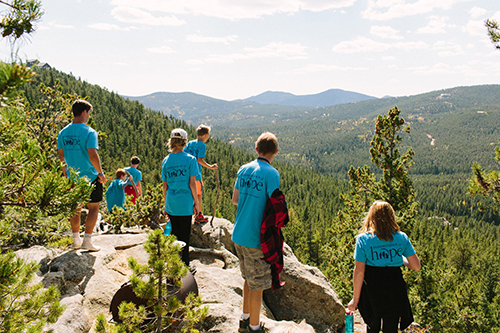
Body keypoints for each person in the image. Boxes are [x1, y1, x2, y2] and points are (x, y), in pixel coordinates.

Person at [232, 132, 280, 333]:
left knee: (248, 279)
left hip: (238, 234)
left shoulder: (243, 169)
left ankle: (245, 317)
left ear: (256, 149)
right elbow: (275, 208)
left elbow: (235, 200)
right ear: (275, 152)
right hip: (255, 238)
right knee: (258, 284)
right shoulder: (272, 174)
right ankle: (254, 327)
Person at [347, 201, 421, 333]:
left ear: (371, 217)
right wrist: (402, 260)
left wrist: (355, 300)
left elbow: (359, 271)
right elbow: (416, 266)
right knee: (391, 328)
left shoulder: (363, 240)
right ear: (391, 217)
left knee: (372, 326)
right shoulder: (401, 237)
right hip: (394, 287)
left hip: (372, 289)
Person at [57, 99, 106, 252]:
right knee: (93, 208)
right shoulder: (89, 132)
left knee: (75, 208)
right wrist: (100, 173)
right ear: (84, 112)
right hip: (90, 176)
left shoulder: (63, 133)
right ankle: (88, 240)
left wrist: (66, 174)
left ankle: (75, 239)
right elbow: (92, 154)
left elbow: (61, 157)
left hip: (72, 177)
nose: (88, 116)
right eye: (89, 113)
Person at [161, 128, 200, 266]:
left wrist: (166, 204)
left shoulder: (166, 160)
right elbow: (192, 184)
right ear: (185, 142)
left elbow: (165, 186)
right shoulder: (190, 159)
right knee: (184, 237)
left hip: (171, 202)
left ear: (171, 142)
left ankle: (172, 265)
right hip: (185, 203)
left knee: (174, 235)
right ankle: (184, 267)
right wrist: (196, 203)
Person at [184, 124, 218, 224]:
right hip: (196, 174)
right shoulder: (202, 145)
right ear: (205, 135)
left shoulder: (190, 143)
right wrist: (211, 167)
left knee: (189, 193)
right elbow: (200, 160)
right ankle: (198, 215)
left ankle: (190, 213)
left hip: (187, 173)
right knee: (198, 194)